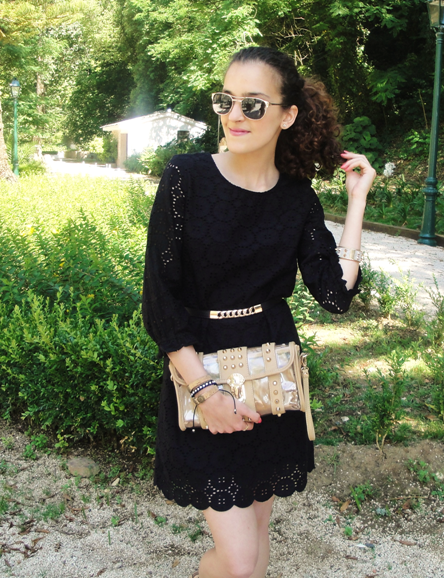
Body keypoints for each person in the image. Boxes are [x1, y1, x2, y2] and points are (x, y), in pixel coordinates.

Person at [142, 46, 375, 578]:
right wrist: (205, 393)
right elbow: (159, 299)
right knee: (240, 561)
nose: (234, 115)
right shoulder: (187, 177)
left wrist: (356, 200)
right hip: (202, 371)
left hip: (272, 376)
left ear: (287, 115)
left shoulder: (297, 198)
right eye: (226, 100)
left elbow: (335, 294)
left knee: (258, 532)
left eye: (253, 104)